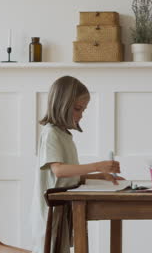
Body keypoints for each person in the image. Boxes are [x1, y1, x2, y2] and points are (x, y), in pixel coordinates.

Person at [30, 76, 124, 253]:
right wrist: (97, 166)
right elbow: (58, 171)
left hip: (61, 206)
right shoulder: (51, 134)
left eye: (83, 109)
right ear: (61, 105)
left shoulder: (65, 136)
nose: (81, 114)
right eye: (77, 109)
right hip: (50, 208)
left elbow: (70, 174)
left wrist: (99, 176)